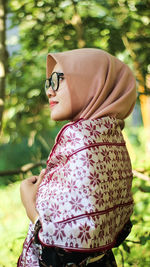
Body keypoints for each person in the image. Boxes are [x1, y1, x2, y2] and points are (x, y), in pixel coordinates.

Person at [18, 48, 136, 267]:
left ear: (91, 82)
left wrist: (29, 206)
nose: (49, 92)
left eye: (57, 80)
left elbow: (62, 252)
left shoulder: (80, 137)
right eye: (48, 83)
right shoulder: (109, 136)